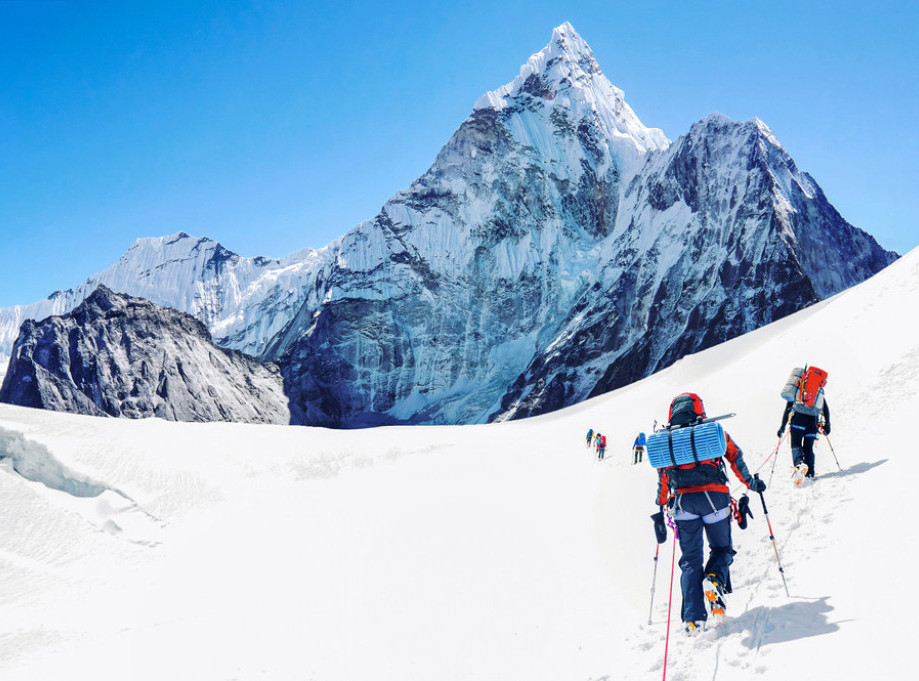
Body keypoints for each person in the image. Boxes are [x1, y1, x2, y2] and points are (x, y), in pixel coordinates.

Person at [654, 392, 765, 634]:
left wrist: (661, 502)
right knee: (722, 549)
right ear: (699, 409)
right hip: (715, 499)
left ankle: (693, 619)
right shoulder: (712, 431)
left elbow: (663, 476)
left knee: (690, 560)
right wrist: (751, 484)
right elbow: (735, 457)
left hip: (683, 503)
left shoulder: (668, 440)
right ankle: (714, 579)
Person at [777, 394, 831, 479]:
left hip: (798, 421)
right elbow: (825, 407)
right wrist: (827, 424)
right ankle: (810, 473)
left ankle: (799, 465)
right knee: (808, 448)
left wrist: (782, 427)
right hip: (812, 422)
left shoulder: (798, 388)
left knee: (796, 445)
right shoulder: (817, 390)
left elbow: (788, 408)